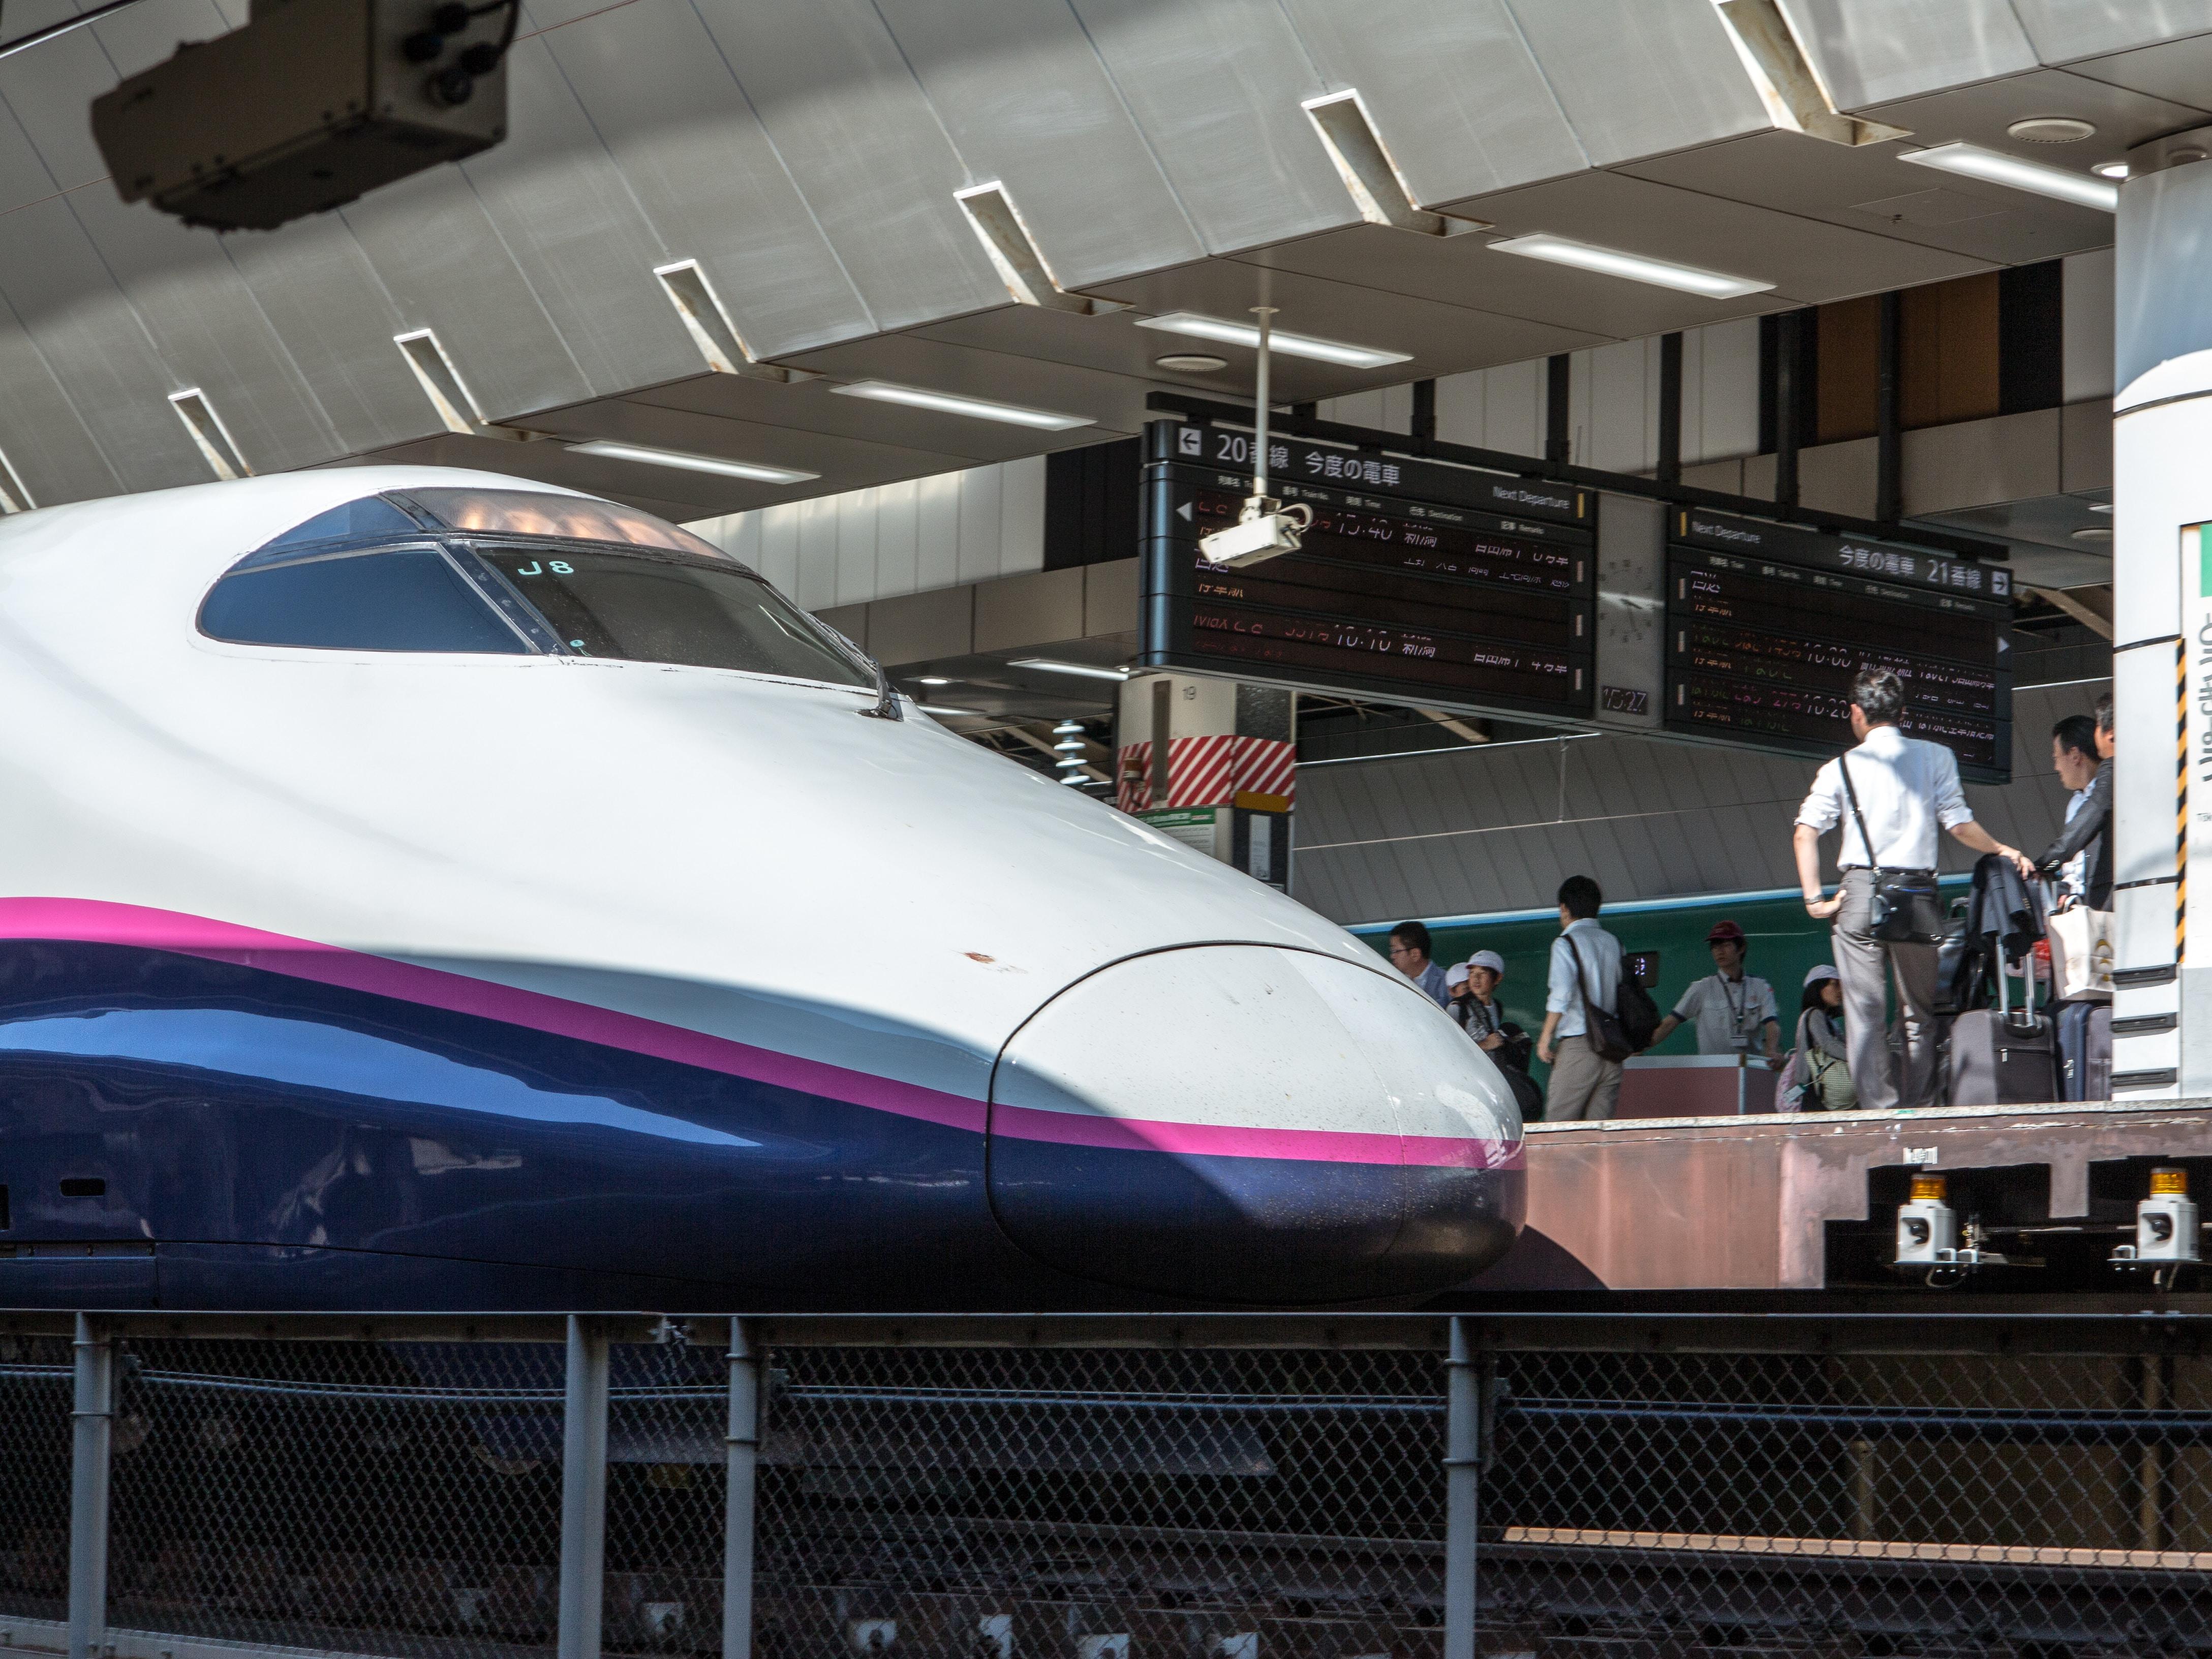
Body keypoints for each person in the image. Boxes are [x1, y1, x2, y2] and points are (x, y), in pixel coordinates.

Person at [1793, 667, 2036, 1112]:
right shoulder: (1936, 756)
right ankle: (1921, 1107)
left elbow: (1805, 833)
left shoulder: (1839, 768)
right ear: (1903, 713)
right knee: (1918, 1016)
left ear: (1856, 714)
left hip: (1860, 895)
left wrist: (1815, 900)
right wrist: (2001, 847)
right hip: (1917, 895)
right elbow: (1959, 825)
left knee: (1865, 1016)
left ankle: (1879, 1113)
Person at [1536, 875, 1625, 1121]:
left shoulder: (1565, 944)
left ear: (1564, 908)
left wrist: (1545, 1038)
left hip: (1579, 1047)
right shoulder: (1614, 943)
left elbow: (1561, 995)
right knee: (1597, 1136)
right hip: (1612, 1050)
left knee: (1558, 1128)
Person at [1648, 920, 1781, 1064]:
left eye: (1726, 945)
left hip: (1751, 1067)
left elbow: (1772, 1024)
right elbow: (1669, 1023)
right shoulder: (1701, 988)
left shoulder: (1760, 986)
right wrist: (1641, 1048)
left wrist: (1771, 1050)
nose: (1720, 951)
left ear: (1741, 948)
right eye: (1715, 947)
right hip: (1713, 1072)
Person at [2037, 699, 2112, 909]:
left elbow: (2095, 813)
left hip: (2109, 903)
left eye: (2056, 757)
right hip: (2082, 906)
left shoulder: (2112, 786)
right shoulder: (2075, 804)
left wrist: (2046, 863)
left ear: (2075, 755)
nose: (2056, 767)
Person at [1779, 965, 1856, 1111]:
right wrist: (1856, 1058)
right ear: (1818, 987)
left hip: (1815, 1087)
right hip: (1815, 1088)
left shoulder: (1827, 1019)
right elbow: (1828, 1044)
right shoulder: (1815, 1014)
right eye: (1834, 985)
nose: (1840, 991)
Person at [1455, 950, 1509, 1052]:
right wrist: (1484, 1045)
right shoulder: (1458, 1006)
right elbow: (1450, 1048)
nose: (1476, 978)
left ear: (1498, 978)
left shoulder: (1497, 1006)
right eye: (1472, 973)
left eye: (1483, 973)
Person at [1388, 921, 1450, 1007]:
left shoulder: (1447, 982)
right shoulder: (1394, 982)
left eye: (1395, 951)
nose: (1392, 956)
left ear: (1415, 954)